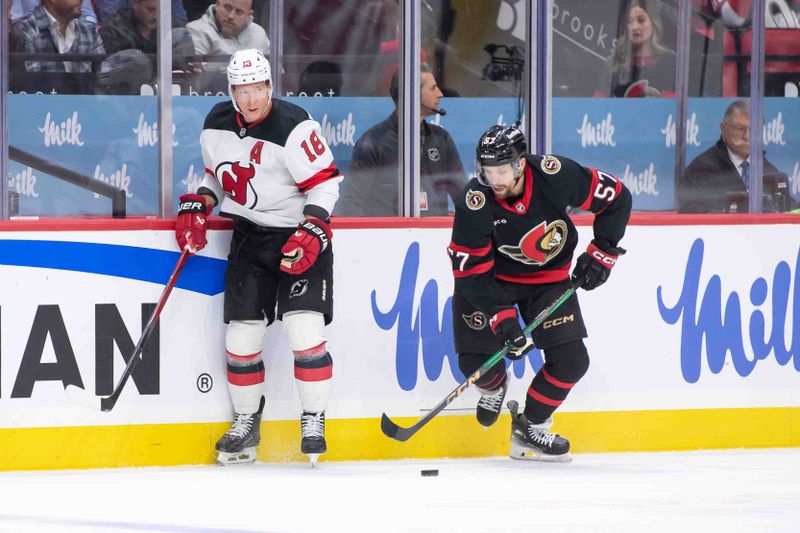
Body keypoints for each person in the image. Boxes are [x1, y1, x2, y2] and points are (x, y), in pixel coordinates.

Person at [174, 49, 342, 466]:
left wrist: (314, 227)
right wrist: (202, 200)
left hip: (299, 237)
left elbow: (326, 184)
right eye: (242, 89)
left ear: (270, 85)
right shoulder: (215, 123)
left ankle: (314, 418)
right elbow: (219, 174)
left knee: (304, 331)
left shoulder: (295, 126)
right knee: (241, 339)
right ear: (231, 90)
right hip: (250, 237)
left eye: (258, 88)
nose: (251, 98)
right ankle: (247, 421)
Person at [448, 124, 631, 461]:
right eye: (487, 171)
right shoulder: (474, 202)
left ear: (520, 164)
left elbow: (618, 197)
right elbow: (470, 274)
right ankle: (495, 386)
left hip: (547, 281)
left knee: (571, 362)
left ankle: (530, 426)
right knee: (477, 366)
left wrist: (602, 251)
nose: (495, 179)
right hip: (492, 282)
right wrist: (502, 319)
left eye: (502, 170)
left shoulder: (555, 175)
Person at [336, 64, 466, 216]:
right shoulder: (373, 142)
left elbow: (464, 198)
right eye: (433, 88)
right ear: (412, 94)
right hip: (387, 237)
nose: (440, 94)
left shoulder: (442, 139)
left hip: (436, 235)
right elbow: (351, 205)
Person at [678, 100, 793, 213]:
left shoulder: (768, 170)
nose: (747, 136)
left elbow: (788, 208)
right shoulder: (701, 170)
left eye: (755, 129)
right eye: (740, 128)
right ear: (723, 129)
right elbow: (689, 211)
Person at [99, 0, 195, 72]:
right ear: (136, 3)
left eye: (161, 10)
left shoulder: (173, 27)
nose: (156, 16)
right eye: (151, 10)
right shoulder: (114, 30)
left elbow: (186, 67)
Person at [13, 0, 105, 73]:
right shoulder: (28, 32)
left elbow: (104, 79)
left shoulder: (90, 32)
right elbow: (32, 84)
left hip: (86, 96)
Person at [608, 0, 676, 97]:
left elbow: (672, 107)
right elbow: (598, 105)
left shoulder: (670, 63)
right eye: (629, 21)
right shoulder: (614, 63)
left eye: (641, 20)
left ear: (653, 22)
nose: (634, 27)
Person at [186, 0, 269, 71]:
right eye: (227, 8)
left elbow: (274, 73)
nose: (231, 16)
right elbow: (195, 74)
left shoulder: (259, 34)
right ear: (218, 4)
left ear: (249, 15)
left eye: (239, 12)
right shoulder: (196, 30)